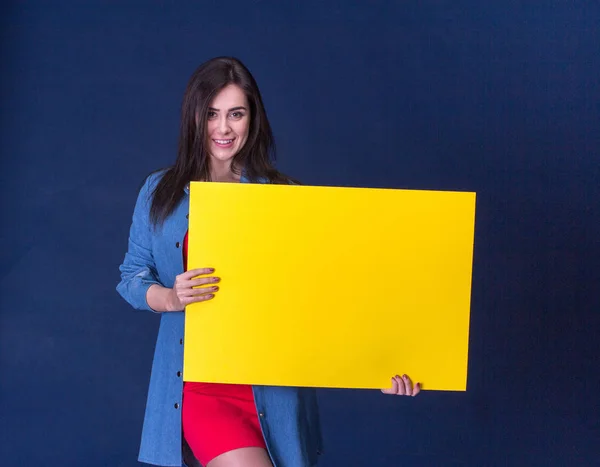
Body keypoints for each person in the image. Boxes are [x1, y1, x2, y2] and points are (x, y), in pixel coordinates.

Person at [116, 56, 421, 467]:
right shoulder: (159, 191)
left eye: (236, 114)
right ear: (194, 118)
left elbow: (326, 296)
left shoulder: (284, 196)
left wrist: (378, 369)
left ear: (252, 119)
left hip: (274, 393)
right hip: (201, 388)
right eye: (212, 114)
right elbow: (132, 275)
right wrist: (170, 297)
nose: (223, 128)